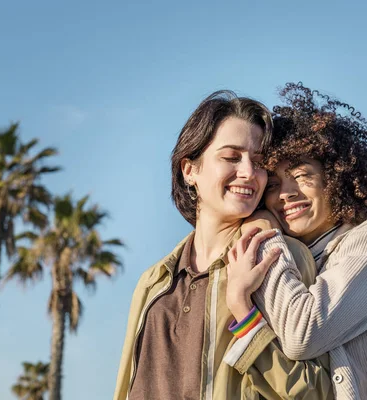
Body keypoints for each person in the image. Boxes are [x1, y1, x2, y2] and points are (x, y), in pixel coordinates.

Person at [114, 90, 333, 400]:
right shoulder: (152, 282)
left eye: (258, 163)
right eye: (231, 157)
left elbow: (318, 392)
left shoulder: (278, 257)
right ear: (189, 170)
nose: (248, 173)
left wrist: (245, 316)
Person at [224, 83, 367, 400]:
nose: (286, 193)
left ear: (335, 175)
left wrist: (263, 228)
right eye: (274, 184)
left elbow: (303, 333)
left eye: (301, 174)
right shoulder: (296, 260)